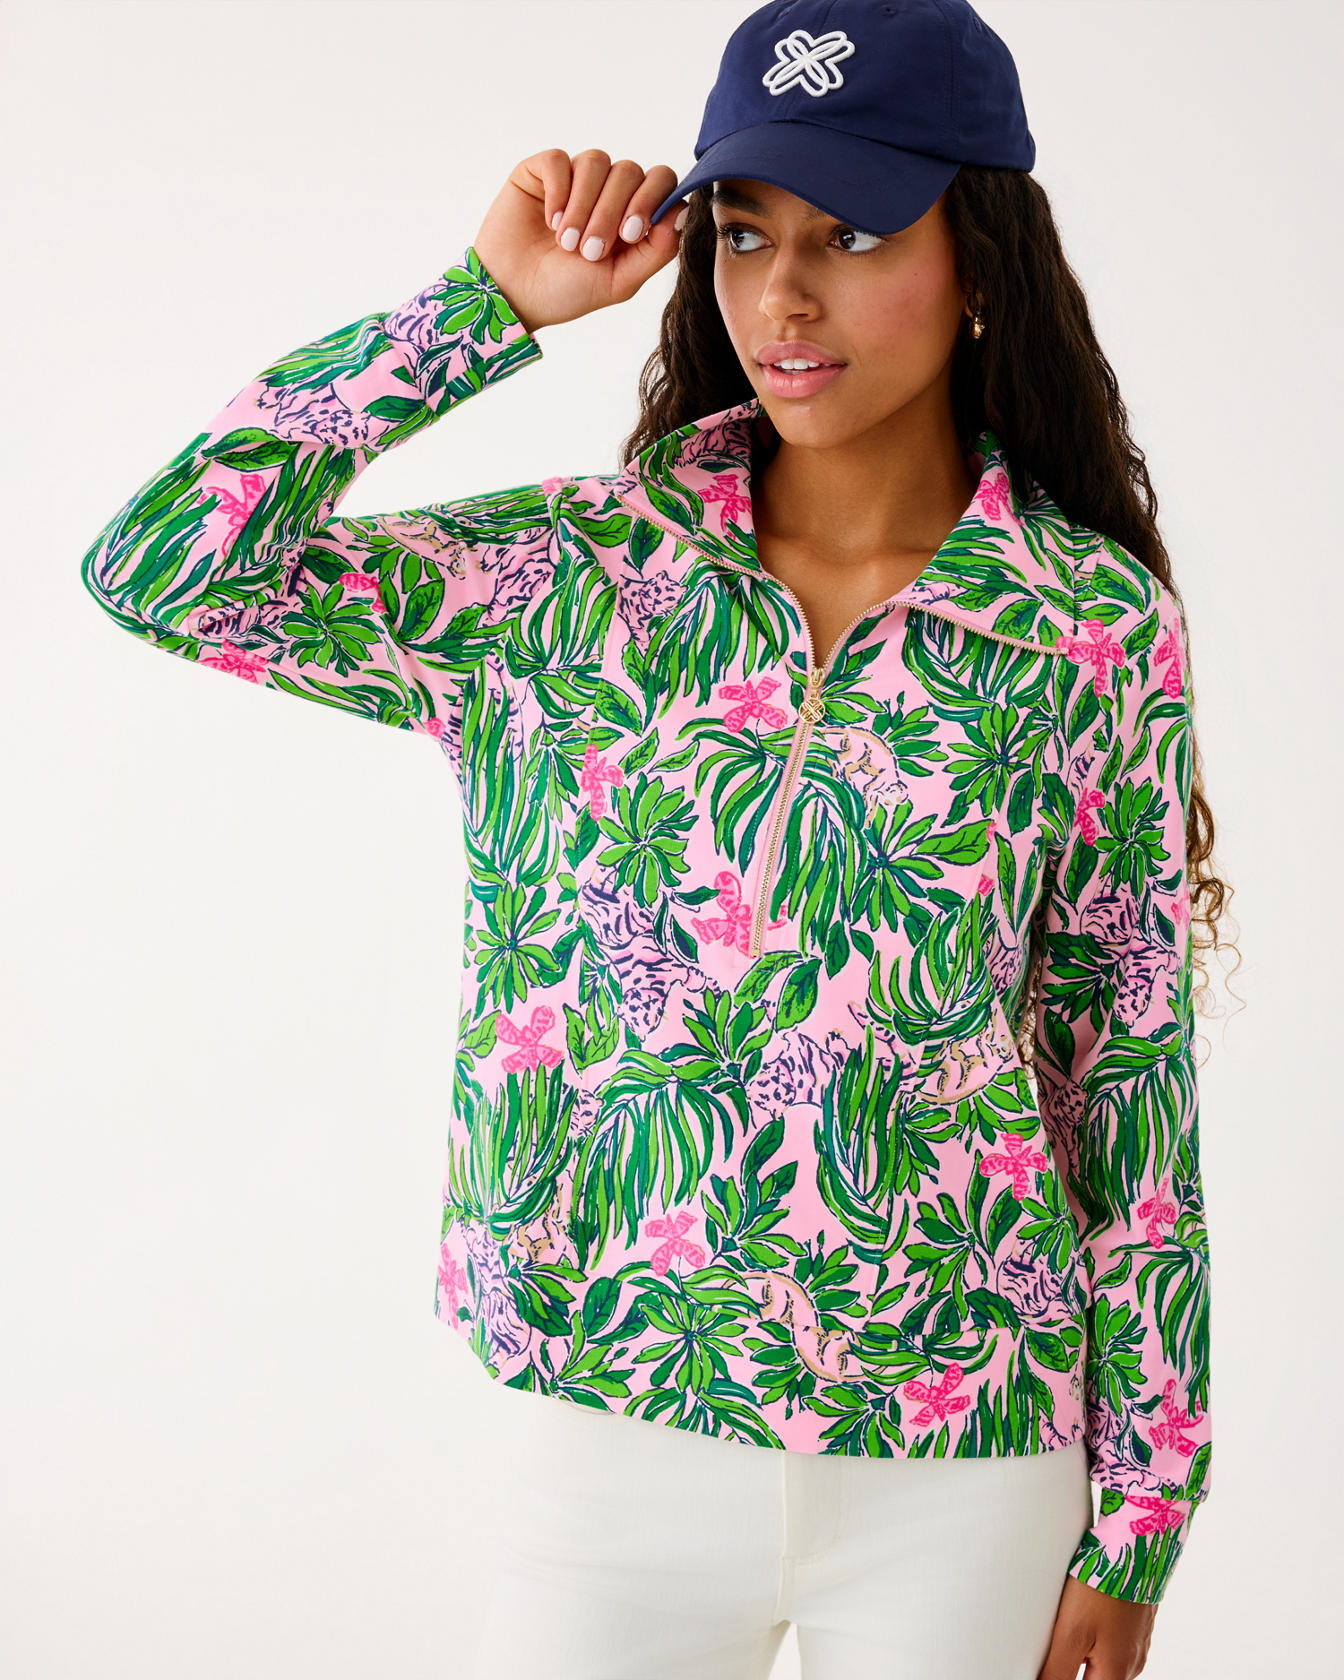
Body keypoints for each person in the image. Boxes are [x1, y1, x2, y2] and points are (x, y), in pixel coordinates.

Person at [80, 1, 1222, 1675]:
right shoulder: (567, 581)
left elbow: (1125, 1064)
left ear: (979, 263)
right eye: (746, 233)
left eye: (852, 236)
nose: (784, 297)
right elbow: (165, 569)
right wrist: (477, 311)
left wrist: (1144, 1516)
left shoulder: (1085, 622)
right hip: (611, 1429)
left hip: (969, 1452)